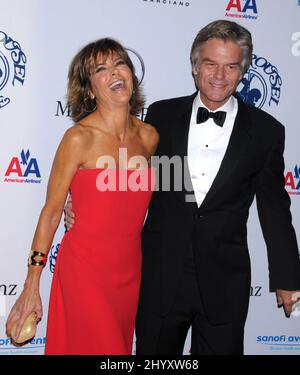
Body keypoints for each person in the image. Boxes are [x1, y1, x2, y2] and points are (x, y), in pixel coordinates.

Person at [65, 20, 300, 355]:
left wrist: (288, 276)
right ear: (194, 67)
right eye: (210, 64)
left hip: (225, 282)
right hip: (160, 276)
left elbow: (275, 209)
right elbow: (126, 176)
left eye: (231, 66)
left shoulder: (266, 132)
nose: (220, 76)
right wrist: (80, 206)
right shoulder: (160, 116)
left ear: (243, 71)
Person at [5, 38, 158, 355]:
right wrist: (32, 285)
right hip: (85, 271)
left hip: (129, 273)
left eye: (120, 64)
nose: (115, 72)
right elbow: (50, 212)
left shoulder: (150, 137)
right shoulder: (78, 138)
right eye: (101, 69)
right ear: (89, 90)